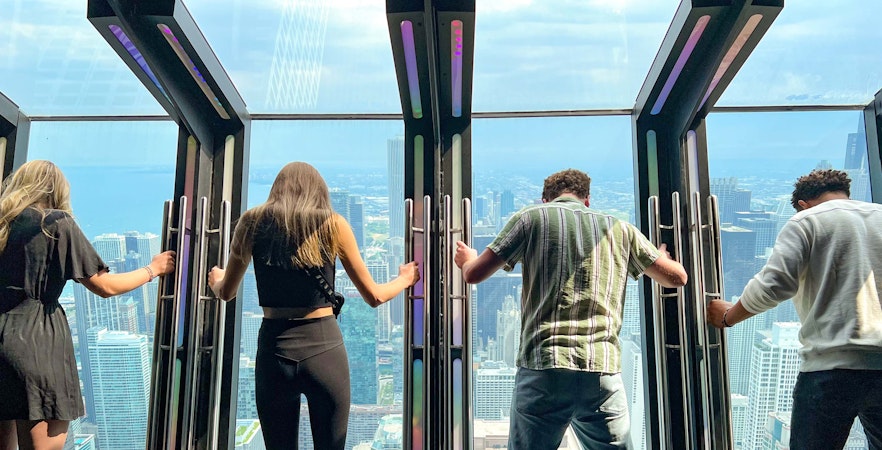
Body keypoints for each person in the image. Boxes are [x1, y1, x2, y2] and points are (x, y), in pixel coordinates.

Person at [455, 168, 688, 450]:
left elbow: (474, 274)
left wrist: (467, 259)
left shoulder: (531, 218)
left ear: (545, 199)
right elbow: (678, 278)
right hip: (601, 371)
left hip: (544, 367)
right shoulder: (620, 228)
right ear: (587, 199)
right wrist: (660, 256)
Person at [207, 161, 420, 450]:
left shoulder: (251, 223)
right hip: (325, 351)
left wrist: (217, 280)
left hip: (274, 351)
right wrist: (405, 279)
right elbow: (374, 296)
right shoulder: (333, 224)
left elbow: (226, 292)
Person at [0, 160, 176, 450]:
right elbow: (105, 286)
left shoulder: (4, 225)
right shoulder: (54, 224)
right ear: (56, 191)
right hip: (37, 343)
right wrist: (153, 269)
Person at [706, 168, 882, 450]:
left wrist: (728, 316)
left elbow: (774, 285)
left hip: (832, 368)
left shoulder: (807, 220)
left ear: (802, 204)